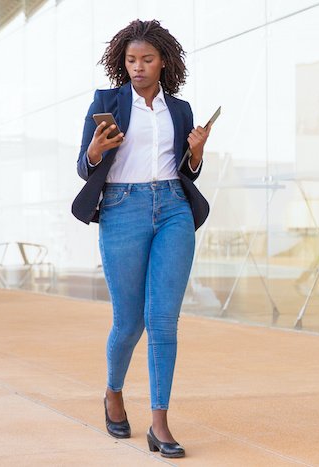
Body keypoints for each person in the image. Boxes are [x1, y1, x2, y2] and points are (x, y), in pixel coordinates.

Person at [71, 19, 211, 459]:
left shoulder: (181, 109)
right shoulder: (107, 102)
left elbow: (186, 168)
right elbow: (84, 165)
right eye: (131, 60)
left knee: (163, 320)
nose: (138, 67)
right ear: (122, 62)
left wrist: (198, 153)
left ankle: (159, 422)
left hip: (173, 209)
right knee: (129, 322)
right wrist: (95, 150)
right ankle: (113, 392)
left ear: (164, 62)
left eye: (147, 59)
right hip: (122, 209)